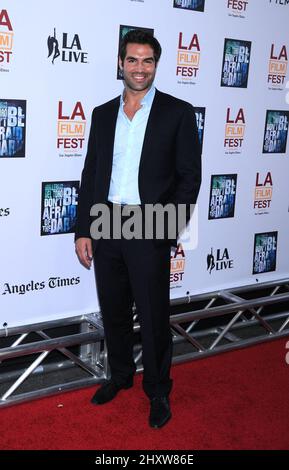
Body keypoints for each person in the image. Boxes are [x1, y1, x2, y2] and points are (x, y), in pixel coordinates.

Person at [75, 29, 201, 428]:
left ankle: (159, 389)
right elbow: (91, 172)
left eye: (147, 61)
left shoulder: (177, 112)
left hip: (149, 223)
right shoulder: (101, 114)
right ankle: (120, 376)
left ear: (156, 65)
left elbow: (189, 177)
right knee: (113, 310)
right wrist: (84, 229)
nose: (140, 68)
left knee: (152, 314)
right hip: (107, 219)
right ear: (120, 63)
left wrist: (168, 227)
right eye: (132, 60)